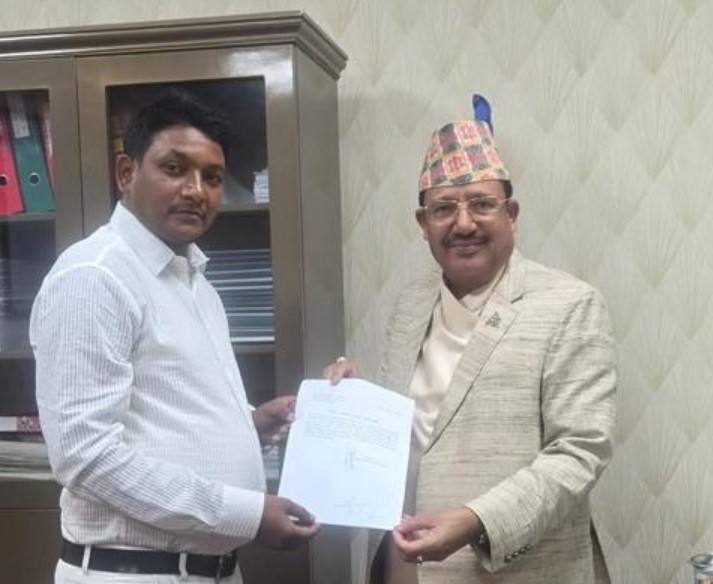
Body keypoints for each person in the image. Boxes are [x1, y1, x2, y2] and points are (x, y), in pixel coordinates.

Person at [30, 91, 319, 584]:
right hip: (132, 572)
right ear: (126, 173)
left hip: (209, 571)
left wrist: (250, 422)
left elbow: (162, 409)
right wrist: (246, 515)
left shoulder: (194, 282)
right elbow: (87, 457)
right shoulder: (94, 277)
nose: (196, 191)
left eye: (212, 177)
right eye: (174, 168)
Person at [325, 115, 616, 584]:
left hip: (516, 569)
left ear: (511, 214)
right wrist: (354, 404)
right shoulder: (411, 303)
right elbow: (413, 430)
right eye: (443, 209)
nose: (463, 224)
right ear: (423, 223)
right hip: (407, 562)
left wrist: (475, 520)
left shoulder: (569, 304)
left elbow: (580, 451)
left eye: (481, 204)